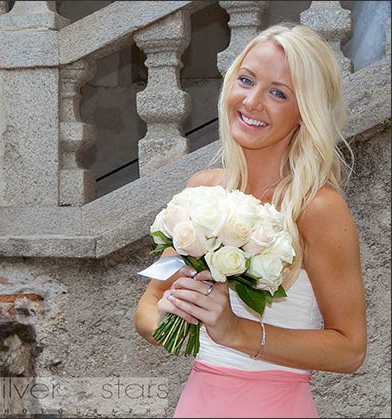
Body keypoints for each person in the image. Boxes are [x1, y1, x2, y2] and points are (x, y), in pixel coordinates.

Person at [134, 24, 367, 418]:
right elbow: (147, 309)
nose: (252, 101)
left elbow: (350, 349)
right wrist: (179, 317)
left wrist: (236, 332)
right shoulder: (201, 195)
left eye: (278, 92)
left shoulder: (318, 209)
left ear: (303, 111)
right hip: (196, 403)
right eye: (246, 80)